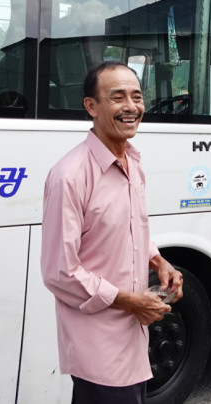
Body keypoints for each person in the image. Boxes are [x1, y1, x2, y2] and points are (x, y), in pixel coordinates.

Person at [41, 61, 184, 404]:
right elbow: (60, 272)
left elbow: (131, 229)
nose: (131, 106)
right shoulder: (70, 176)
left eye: (137, 96)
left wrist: (158, 261)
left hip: (132, 337)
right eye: (117, 97)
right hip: (99, 345)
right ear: (91, 106)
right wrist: (129, 301)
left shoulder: (133, 162)